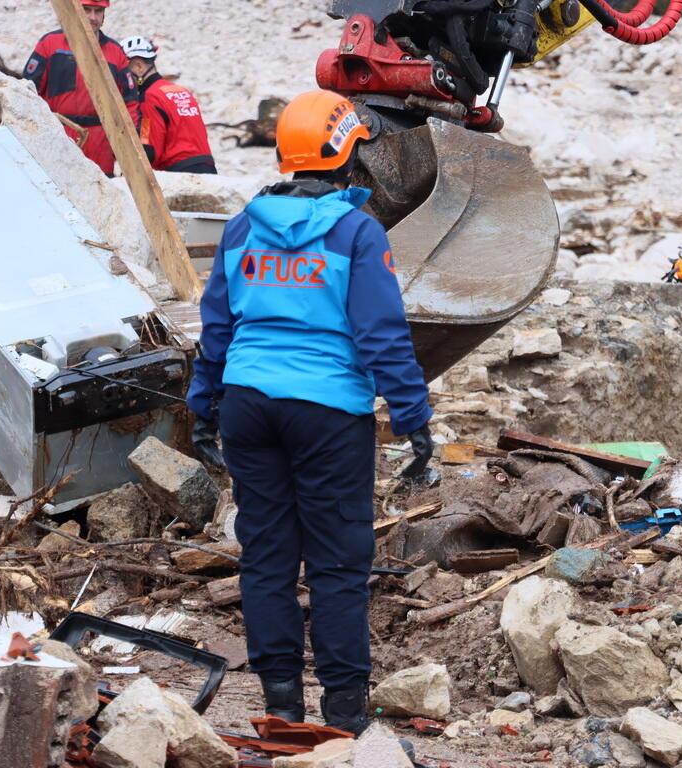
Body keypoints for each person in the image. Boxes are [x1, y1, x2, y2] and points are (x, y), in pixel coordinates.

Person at [186, 89, 433, 734]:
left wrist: (202, 404)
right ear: (350, 152)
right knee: (337, 559)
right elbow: (381, 332)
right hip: (327, 413)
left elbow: (217, 322)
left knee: (265, 553)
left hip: (248, 404)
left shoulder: (243, 225)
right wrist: (412, 416)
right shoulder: (356, 231)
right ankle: (346, 710)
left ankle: (280, 703)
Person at [23, 0, 139, 176]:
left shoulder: (116, 53)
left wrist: (128, 150)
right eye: (87, 10)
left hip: (100, 144)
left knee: (102, 197)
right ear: (76, 10)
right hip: (59, 138)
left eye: (98, 11)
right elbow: (27, 93)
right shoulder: (50, 44)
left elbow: (129, 104)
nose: (93, 17)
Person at [121, 36, 217, 174]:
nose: (124, 80)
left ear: (139, 66)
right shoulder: (181, 90)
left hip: (181, 174)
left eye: (125, 73)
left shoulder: (149, 98)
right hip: (209, 169)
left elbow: (150, 148)